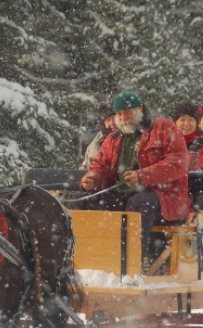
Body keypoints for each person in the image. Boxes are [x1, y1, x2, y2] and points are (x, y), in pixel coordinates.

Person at [70, 90, 189, 273]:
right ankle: (86, 263)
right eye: (119, 114)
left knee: (139, 203)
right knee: (80, 203)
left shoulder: (164, 127)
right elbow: (100, 167)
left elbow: (177, 164)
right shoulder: (113, 138)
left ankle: (131, 266)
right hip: (122, 195)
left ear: (140, 109)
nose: (124, 117)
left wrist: (143, 175)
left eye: (128, 112)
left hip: (164, 196)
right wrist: (92, 179)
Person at [170, 103, 203, 179]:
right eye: (182, 119)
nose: (187, 123)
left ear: (197, 123)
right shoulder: (166, 143)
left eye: (191, 120)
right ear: (175, 123)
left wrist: (195, 174)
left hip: (193, 188)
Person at [81, 99, 116, 169]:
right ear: (103, 123)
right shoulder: (96, 143)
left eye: (115, 118)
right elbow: (86, 167)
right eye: (108, 120)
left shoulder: (130, 139)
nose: (112, 123)